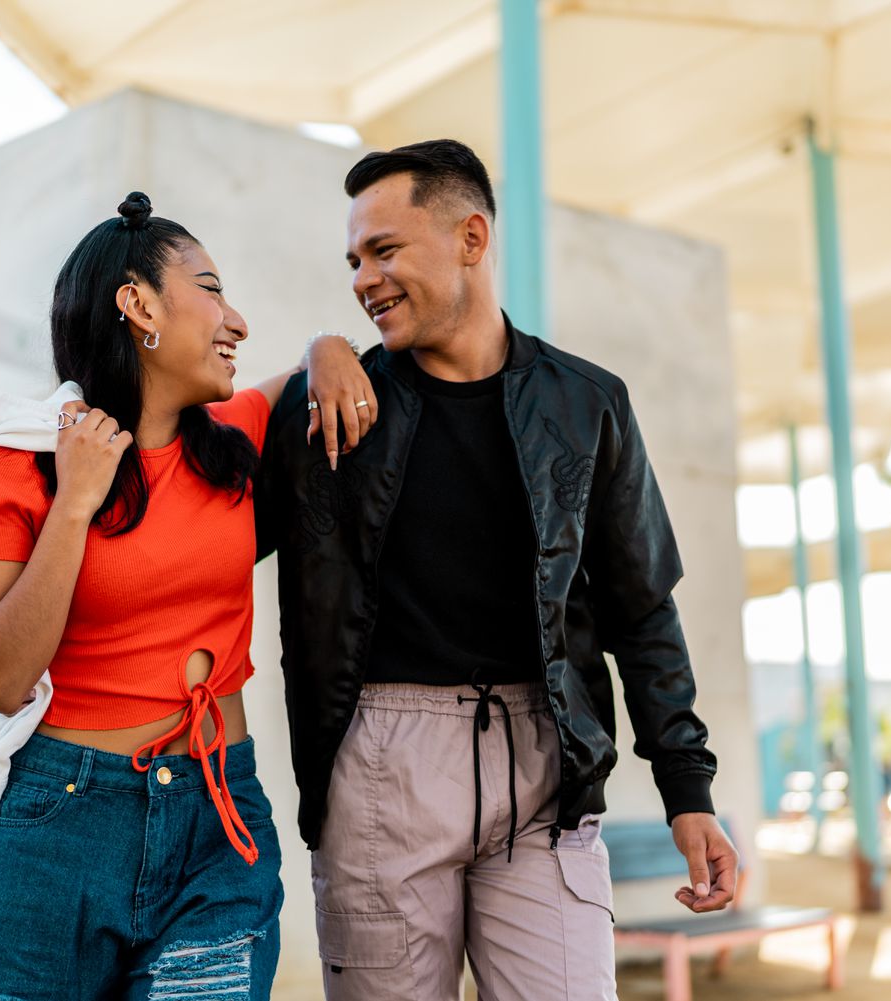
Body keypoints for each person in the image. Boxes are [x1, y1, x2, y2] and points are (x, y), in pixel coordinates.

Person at [255, 141, 736, 1001]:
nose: (365, 279)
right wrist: (313, 350)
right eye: (355, 260)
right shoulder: (328, 406)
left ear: (470, 238)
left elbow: (643, 609)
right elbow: (190, 485)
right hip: (381, 765)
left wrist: (686, 789)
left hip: (542, 768)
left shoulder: (588, 404)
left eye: (387, 250)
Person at [0, 193, 373, 1000]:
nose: (237, 320)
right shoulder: (15, 464)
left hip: (219, 823)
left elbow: (317, 371)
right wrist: (75, 502)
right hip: (58, 832)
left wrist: (328, 344)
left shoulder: (236, 436)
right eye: (210, 288)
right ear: (139, 304)